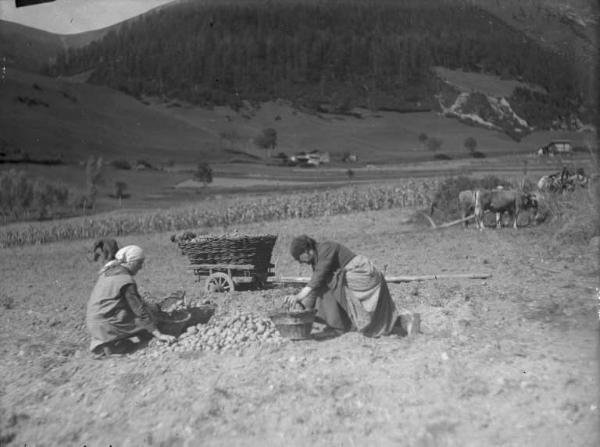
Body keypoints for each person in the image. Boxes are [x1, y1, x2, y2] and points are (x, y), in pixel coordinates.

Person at [284, 235, 400, 337]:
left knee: (330, 281)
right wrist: (302, 307)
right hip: (350, 276)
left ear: (306, 250)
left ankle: (337, 326)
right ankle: (336, 324)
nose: (301, 262)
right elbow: (315, 285)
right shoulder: (316, 259)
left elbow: (318, 278)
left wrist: (298, 296)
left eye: (300, 258)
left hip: (363, 274)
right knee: (328, 282)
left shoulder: (326, 248)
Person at [86, 245, 175, 358]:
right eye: (139, 263)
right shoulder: (126, 280)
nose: (140, 267)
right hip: (105, 323)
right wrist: (159, 334)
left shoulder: (109, 271)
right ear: (131, 262)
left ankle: (107, 342)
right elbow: (139, 309)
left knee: (145, 313)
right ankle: (112, 346)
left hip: (94, 321)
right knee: (149, 318)